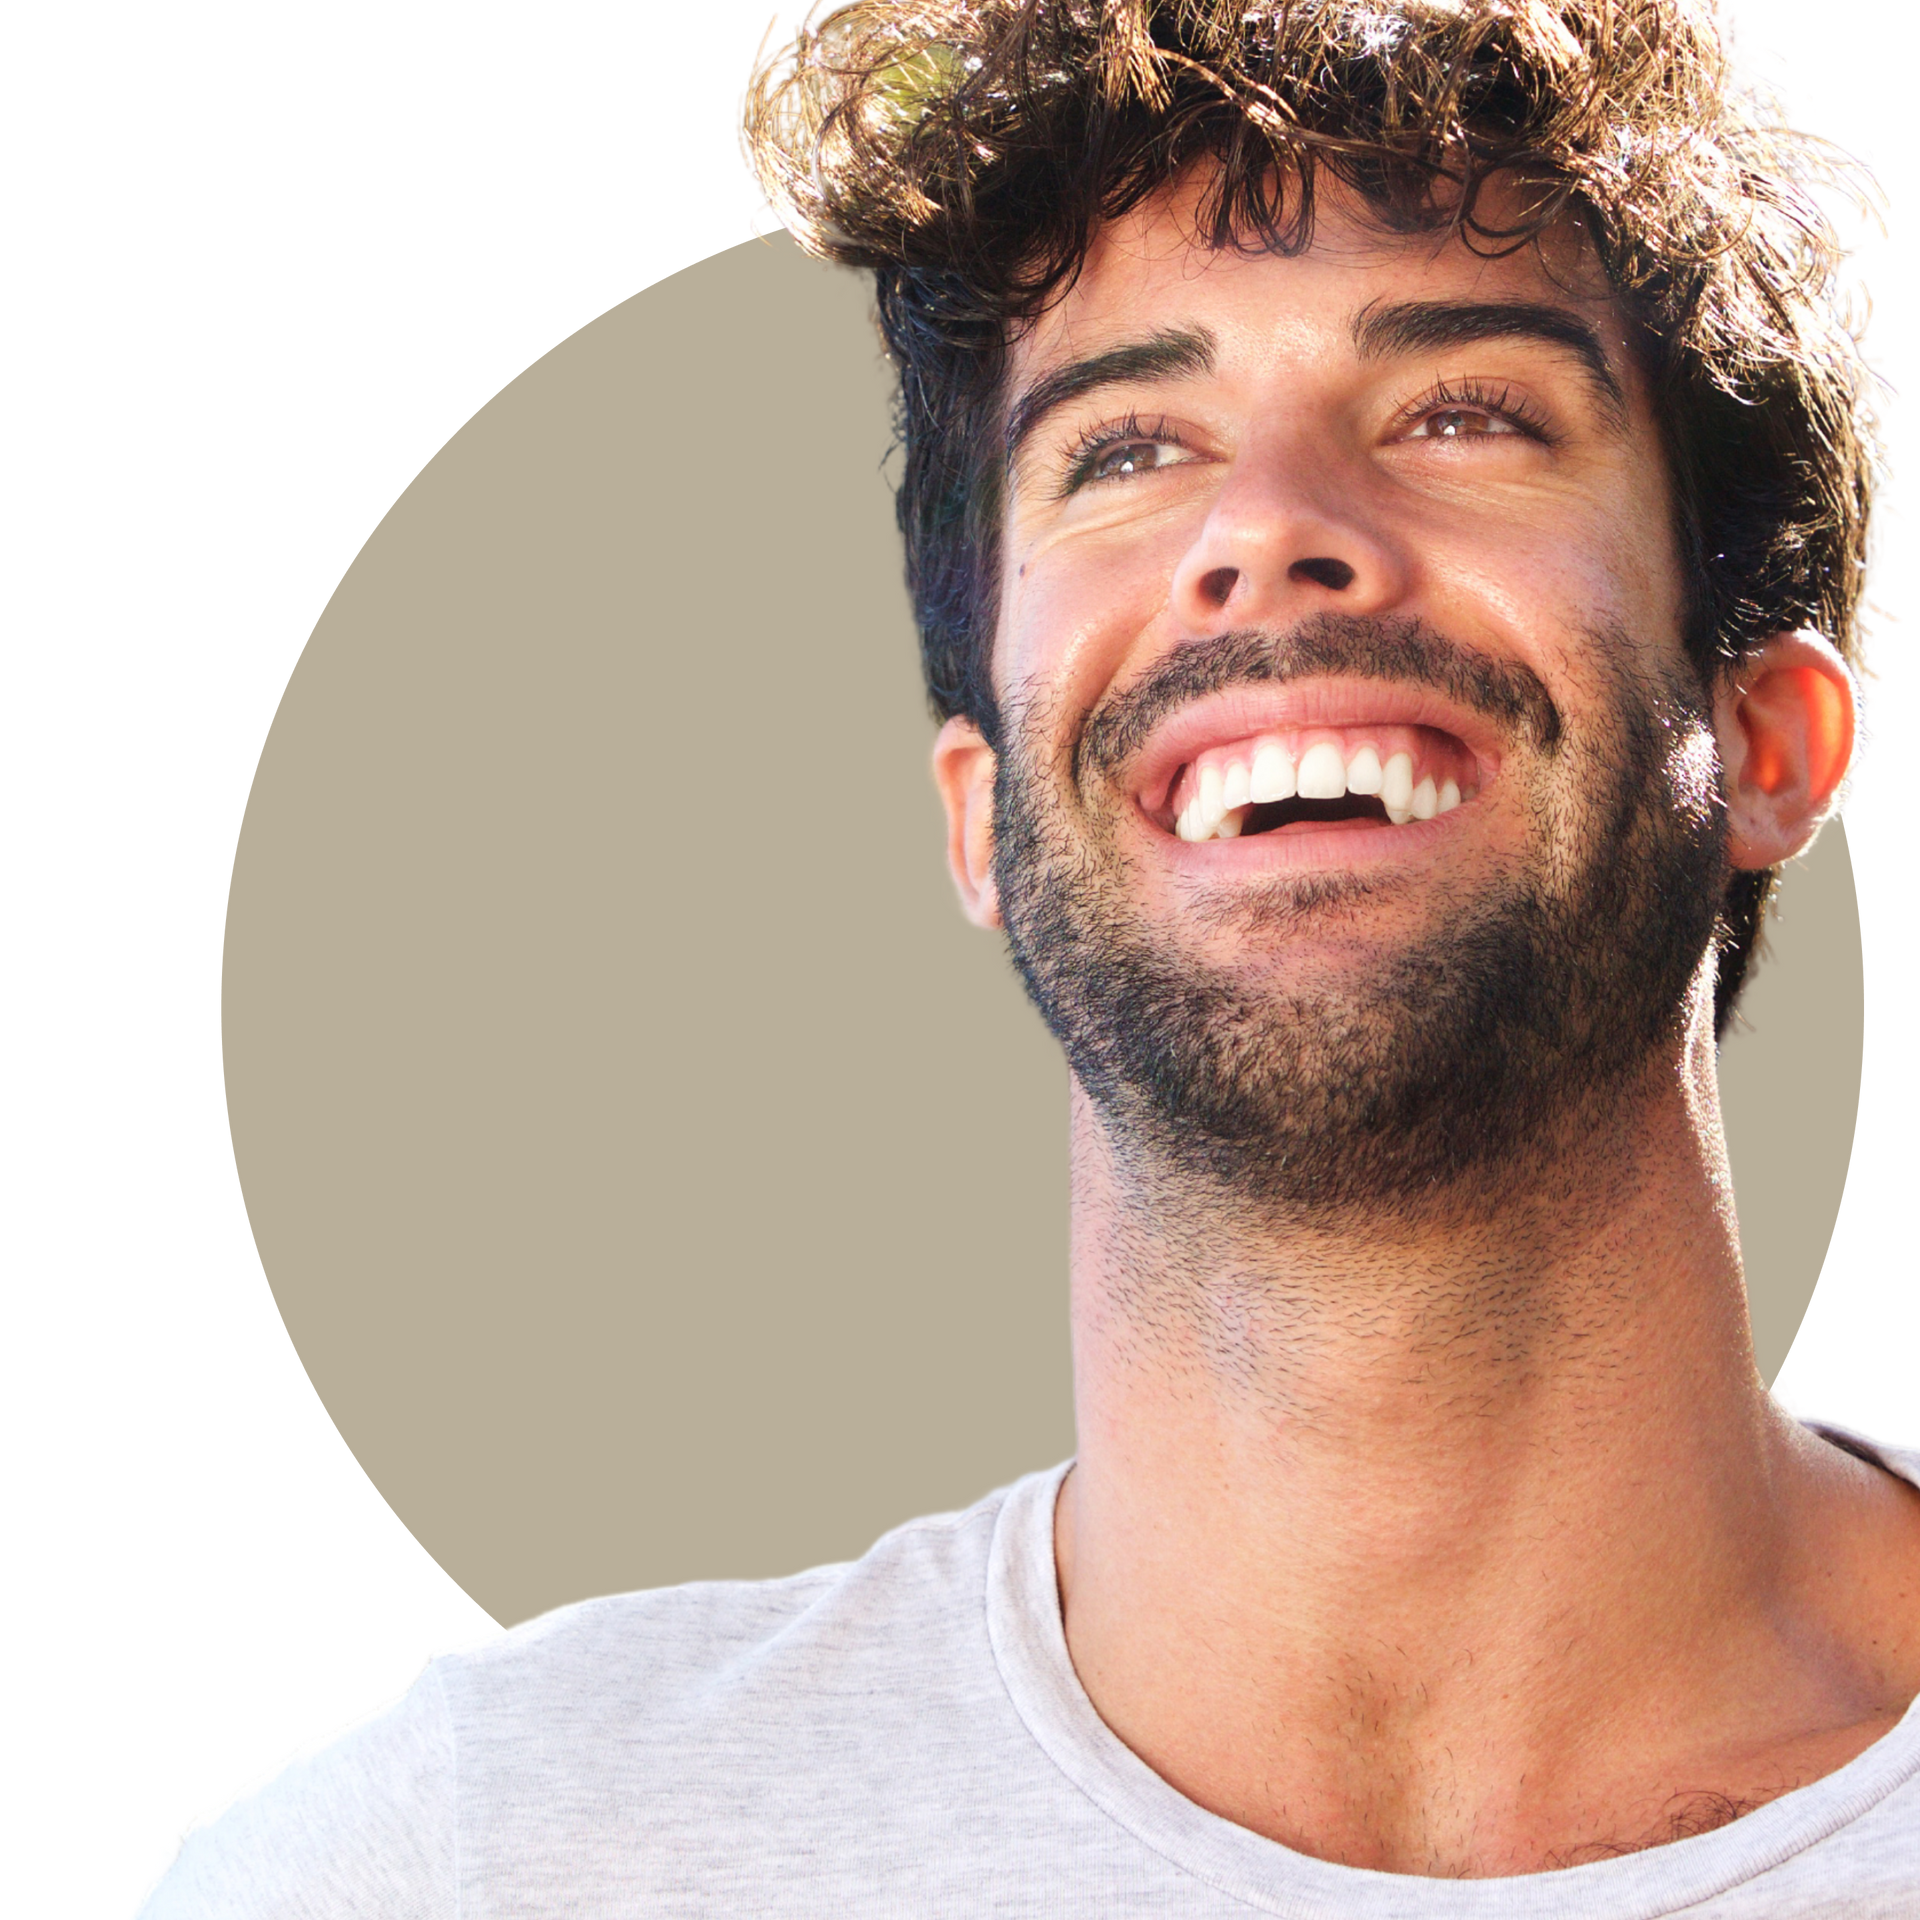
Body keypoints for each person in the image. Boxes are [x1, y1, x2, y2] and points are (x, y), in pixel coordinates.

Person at [134, 2, 1915, 1912]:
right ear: (979, 819)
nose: (1271, 530)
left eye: (1463, 412)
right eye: (1127, 444)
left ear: (1777, 745)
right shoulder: (447, 1870)